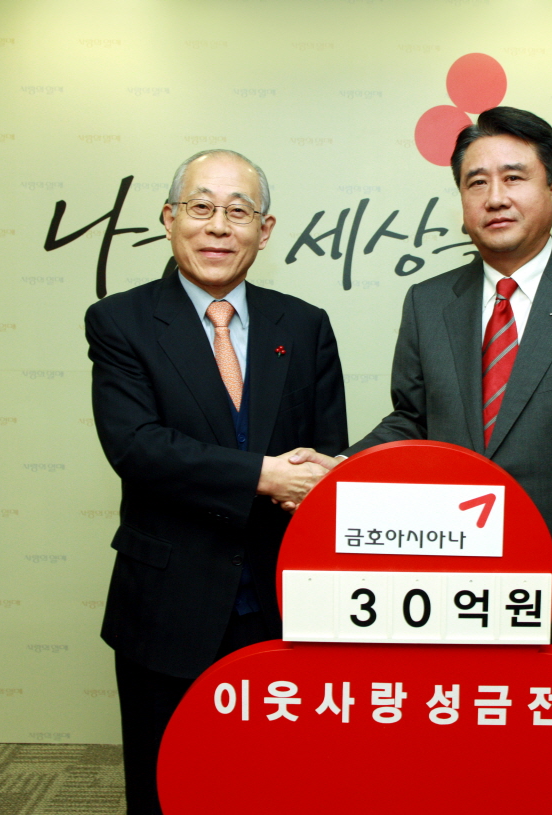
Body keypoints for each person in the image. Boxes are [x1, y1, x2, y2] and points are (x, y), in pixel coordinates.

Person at [290, 107, 552, 673]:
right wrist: (338, 470)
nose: (495, 198)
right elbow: (412, 419)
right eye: (477, 182)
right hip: (450, 581)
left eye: (514, 178)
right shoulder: (429, 302)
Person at [84, 149, 348, 815]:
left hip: (283, 607)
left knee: (279, 789)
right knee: (167, 787)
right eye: (201, 207)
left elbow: (326, 454)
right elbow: (137, 446)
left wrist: (312, 475)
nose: (219, 226)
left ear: (266, 229)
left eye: (239, 211)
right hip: (168, 605)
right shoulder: (121, 322)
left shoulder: (305, 325)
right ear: (169, 219)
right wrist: (264, 475)